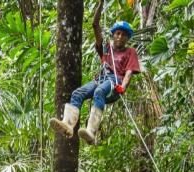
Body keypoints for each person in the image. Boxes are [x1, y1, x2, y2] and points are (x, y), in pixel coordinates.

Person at [49, 0, 140, 145]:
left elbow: (128, 72)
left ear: (127, 38)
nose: (120, 37)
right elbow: (95, 25)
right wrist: (100, 4)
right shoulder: (105, 48)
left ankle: (91, 131)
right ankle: (68, 125)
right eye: (117, 33)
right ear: (113, 35)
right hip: (101, 79)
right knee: (77, 93)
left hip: (114, 81)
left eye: (124, 35)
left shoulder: (130, 52)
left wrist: (123, 86)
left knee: (99, 92)